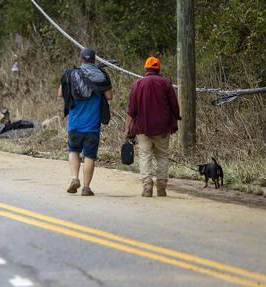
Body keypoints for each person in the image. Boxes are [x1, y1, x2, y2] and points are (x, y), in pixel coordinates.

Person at [58, 47, 113, 196]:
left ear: (80, 59)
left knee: (73, 151)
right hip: (92, 126)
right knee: (89, 156)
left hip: (74, 124)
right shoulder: (101, 75)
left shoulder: (71, 74)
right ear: (94, 60)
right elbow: (109, 96)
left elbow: (60, 93)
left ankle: (74, 178)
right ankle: (86, 188)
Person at [125, 56, 181, 197]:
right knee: (162, 156)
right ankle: (161, 188)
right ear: (158, 69)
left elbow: (131, 110)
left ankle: (147, 188)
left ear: (145, 69)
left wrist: (127, 128)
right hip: (162, 127)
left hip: (142, 128)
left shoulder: (138, 84)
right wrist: (176, 118)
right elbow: (174, 105)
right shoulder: (166, 83)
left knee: (145, 156)